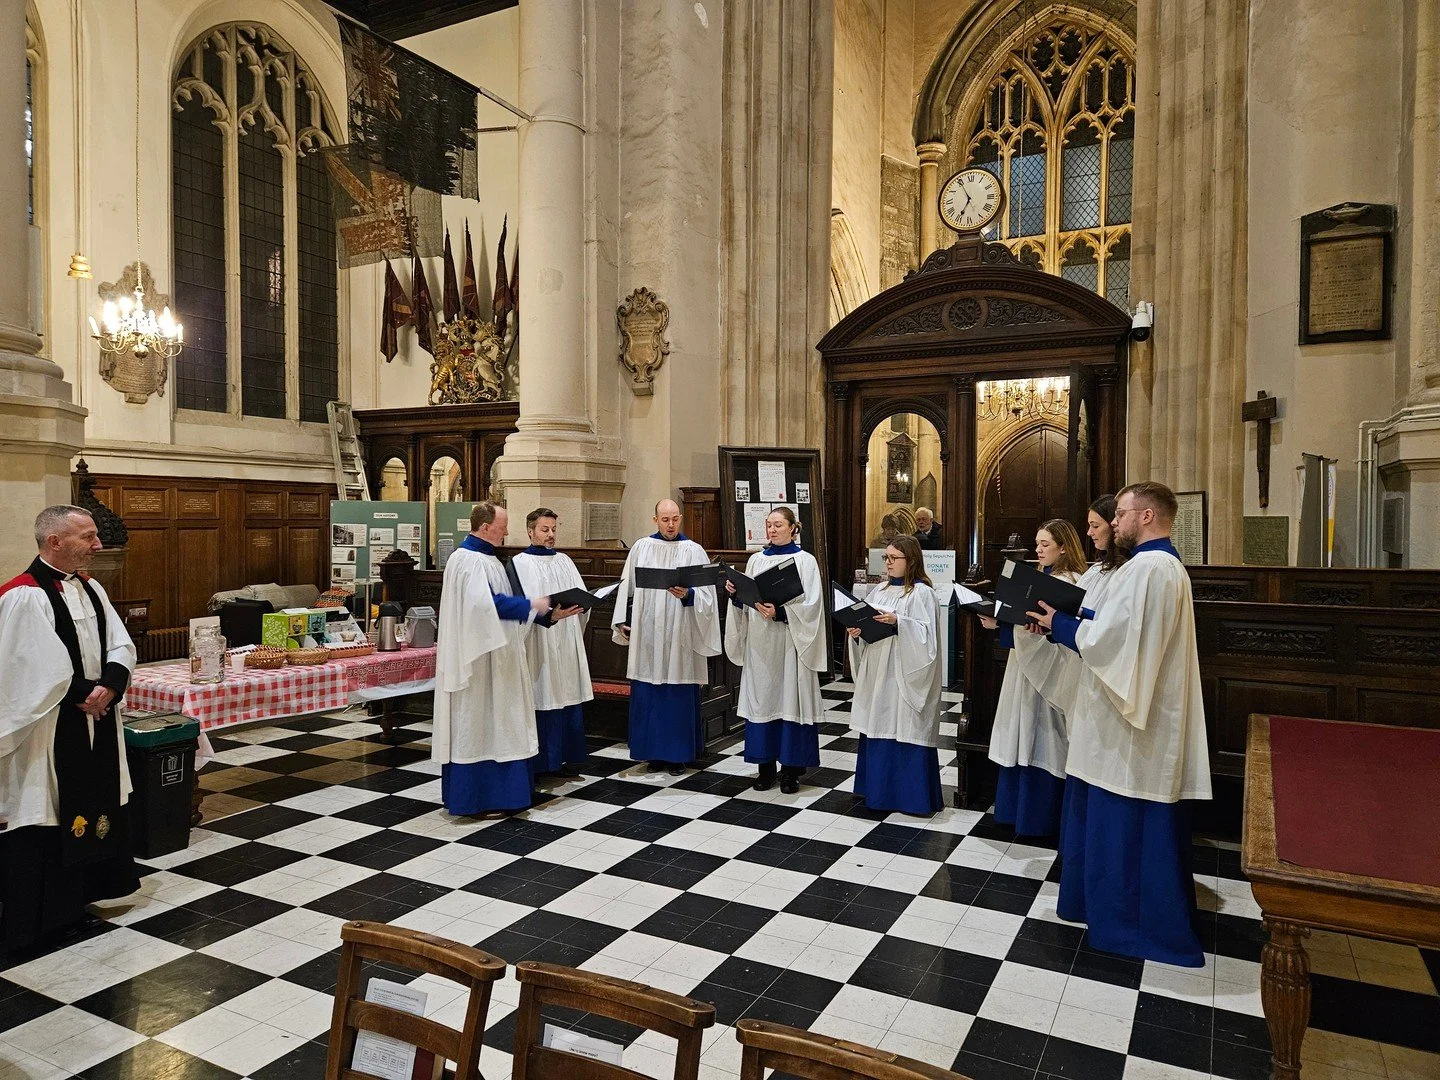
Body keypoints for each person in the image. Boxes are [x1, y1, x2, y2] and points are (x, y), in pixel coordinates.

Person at [1027, 481, 1211, 967]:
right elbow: (1115, 624)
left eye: (1123, 514)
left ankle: (1130, 924)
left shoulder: (1150, 568)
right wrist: (1067, 615)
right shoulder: (1153, 568)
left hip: (1132, 731)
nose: (1116, 522)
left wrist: (1062, 626)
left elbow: (1115, 644)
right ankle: (1097, 907)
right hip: (1119, 722)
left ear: (1146, 517)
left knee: (1126, 819)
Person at [0, 506, 139, 957]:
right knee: (47, 810)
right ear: (54, 541)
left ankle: (78, 904)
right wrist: (85, 692)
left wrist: (112, 685)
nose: (98, 545)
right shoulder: (23, 596)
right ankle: (39, 921)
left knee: (92, 801)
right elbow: (28, 667)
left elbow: (120, 642)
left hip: (95, 715)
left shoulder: (92, 588)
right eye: (88, 536)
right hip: (50, 727)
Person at [433, 502, 553, 816]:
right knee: (481, 725)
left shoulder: (487, 559)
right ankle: (479, 797)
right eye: (503, 526)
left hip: (498, 658)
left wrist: (536, 611)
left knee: (502, 724)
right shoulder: (468, 560)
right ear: (486, 527)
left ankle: (504, 795)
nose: (507, 532)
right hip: (479, 664)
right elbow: (484, 607)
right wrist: (531, 604)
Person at [980, 520, 1088, 837]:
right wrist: (998, 621)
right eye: (1037, 544)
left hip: (1053, 672)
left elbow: (1061, 630)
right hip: (1026, 667)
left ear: (1065, 546)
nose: (1038, 550)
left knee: (1046, 735)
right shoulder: (1043, 578)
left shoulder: (1071, 581)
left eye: (1045, 545)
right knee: (1022, 730)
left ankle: (1042, 817)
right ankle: (1017, 811)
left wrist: (1011, 625)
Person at [611, 499, 721, 775]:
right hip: (649, 632)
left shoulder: (694, 550)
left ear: (681, 518)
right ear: (655, 520)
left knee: (676, 693)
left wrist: (689, 595)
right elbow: (627, 588)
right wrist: (623, 620)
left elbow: (708, 597)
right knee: (650, 692)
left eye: (675, 519)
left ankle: (677, 755)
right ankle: (652, 754)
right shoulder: (641, 547)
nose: (670, 525)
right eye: (665, 520)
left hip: (680, 633)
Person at [724, 508, 826, 794]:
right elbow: (747, 600)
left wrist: (781, 612)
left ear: (794, 528)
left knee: (790, 701)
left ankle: (791, 771)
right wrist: (735, 595)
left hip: (791, 643)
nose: (771, 530)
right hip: (760, 643)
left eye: (778, 525)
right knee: (763, 702)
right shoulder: (756, 560)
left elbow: (813, 605)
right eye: (768, 525)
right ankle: (765, 769)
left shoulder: (805, 561)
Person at [846, 535, 944, 815]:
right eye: (885, 558)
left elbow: (928, 641)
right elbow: (865, 625)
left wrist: (899, 621)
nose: (887, 563)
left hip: (904, 674)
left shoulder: (922, 593)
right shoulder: (879, 591)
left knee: (904, 725)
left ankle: (910, 798)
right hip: (878, 671)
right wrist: (857, 632)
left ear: (910, 560)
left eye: (893, 558)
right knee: (879, 722)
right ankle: (877, 792)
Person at [510, 508, 590, 778]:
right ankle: (542, 763)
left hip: (566, 639)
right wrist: (548, 616)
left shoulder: (565, 560)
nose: (551, 534)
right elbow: (518, 607)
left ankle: (566, 760)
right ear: (530, 531)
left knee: (566, 694)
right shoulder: (519, 564)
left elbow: (581, 595)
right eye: (545, 529)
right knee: (543, 696)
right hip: (539, 641)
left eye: (554, 529)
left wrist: (583, 604)